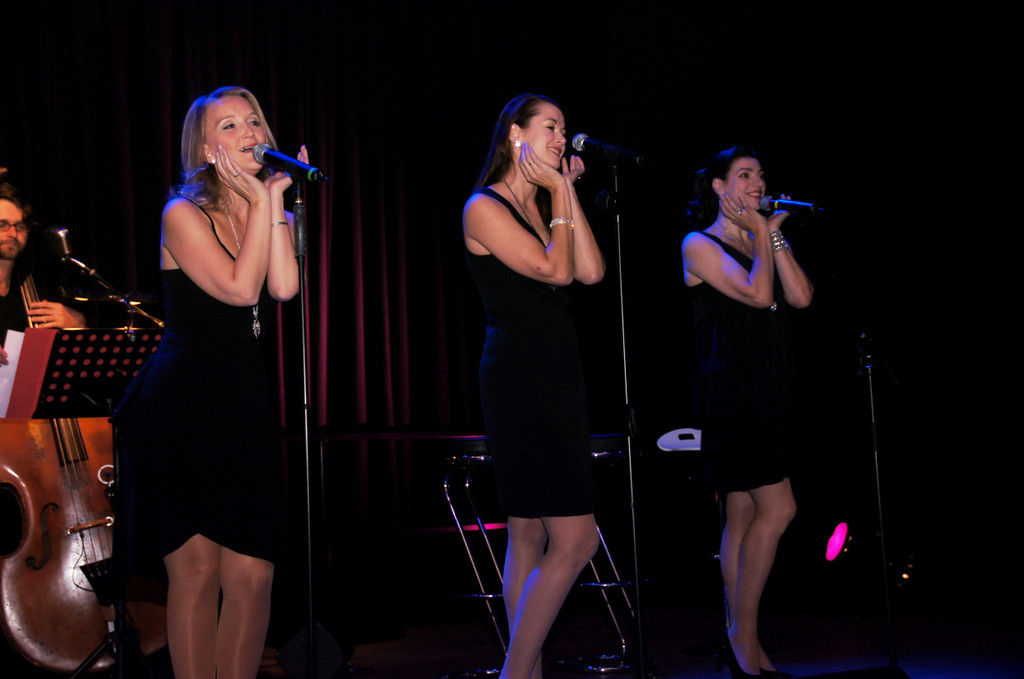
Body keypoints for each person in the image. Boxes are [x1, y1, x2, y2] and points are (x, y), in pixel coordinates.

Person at [112, 86, 301, 679]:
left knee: (253, 572)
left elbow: (283, 288)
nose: (249, 133)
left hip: (243, 401)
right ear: (203, 148)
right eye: (229, 125)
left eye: (254, 121)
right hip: (182, 403)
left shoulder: (271, 209)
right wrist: (260, 204)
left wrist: (271, 202)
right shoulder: (181, 214)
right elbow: (240, 290)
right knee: (196, 571)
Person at [462, 93, 606, 679]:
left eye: (564, 128)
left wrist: (563, 191)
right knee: (577, 540)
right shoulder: (483, 206)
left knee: (527, 533)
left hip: (554, 369)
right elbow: (556, 270)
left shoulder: (544, 205)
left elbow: (591, 271)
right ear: (515, 135)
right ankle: (517, 672)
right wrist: (562, 194)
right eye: (551, 127)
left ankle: (526, 671)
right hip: (521, 375)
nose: (561, 138)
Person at [681, 147, 813, 678]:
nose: (757, 182)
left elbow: (800, 297)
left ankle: (746, 650)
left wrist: (773, 235)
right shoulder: (698, 243)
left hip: (771, 385)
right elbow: (759, 296)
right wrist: (761, 232)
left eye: (760, 174)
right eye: (743, 175)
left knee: (741, 513)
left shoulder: (761, 237)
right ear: (718, 187)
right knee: (780, 509)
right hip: (734, 390)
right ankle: (742, 631)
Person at [0, 172, 86, 367]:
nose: (13, 233)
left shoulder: (35, 297)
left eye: (21, 226)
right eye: (2, 225)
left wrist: (78, 324)